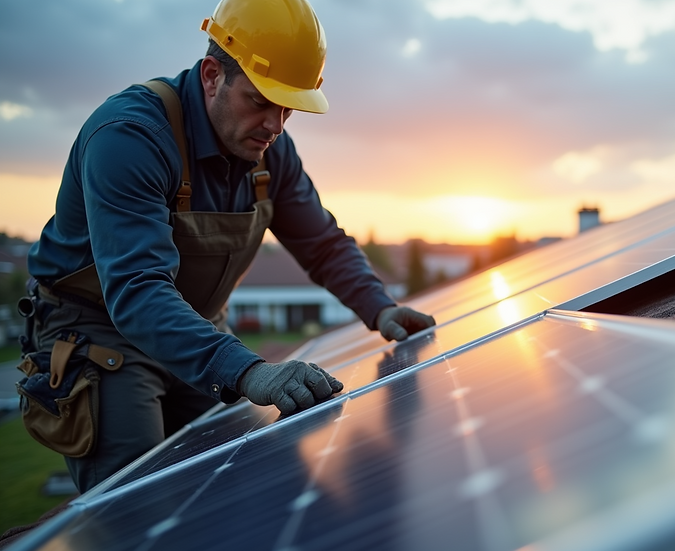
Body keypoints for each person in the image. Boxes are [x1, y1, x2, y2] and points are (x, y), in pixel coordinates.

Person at [20, 0, 435, 494]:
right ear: (213, 75)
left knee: (242, 483)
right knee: (140, 502)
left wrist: (380, 307)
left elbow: (322, 242)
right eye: (261, 100)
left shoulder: (269, 149)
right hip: (102, 334)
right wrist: (247, 370)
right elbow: (136, 287)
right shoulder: (130, 138)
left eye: (288, 108)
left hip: (196, 327)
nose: (275, 125)